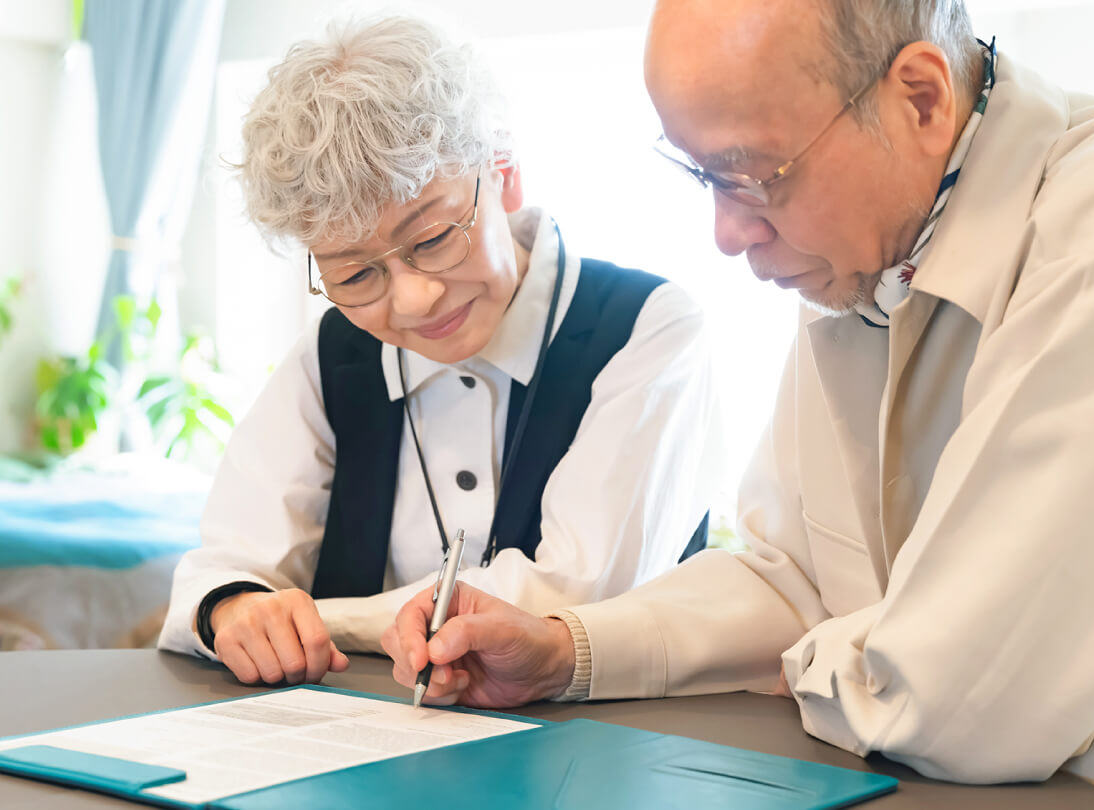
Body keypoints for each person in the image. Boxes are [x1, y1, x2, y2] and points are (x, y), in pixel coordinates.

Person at [380, 2, 1094, 809]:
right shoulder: (869, 251)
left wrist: (821, 657)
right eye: (702, 176)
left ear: (920, 98)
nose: (727, 234)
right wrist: (565, 651)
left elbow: (961, 703)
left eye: (754, 177)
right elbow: (796, 578)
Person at [158, 16, 721, 689]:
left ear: (504, 176)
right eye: (356, 274)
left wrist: (321, 621)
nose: (416, 298)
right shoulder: (334, 352)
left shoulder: (647, 330)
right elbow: (227, 561)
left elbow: (575, 597)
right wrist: (237, 607)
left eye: (432, 239)